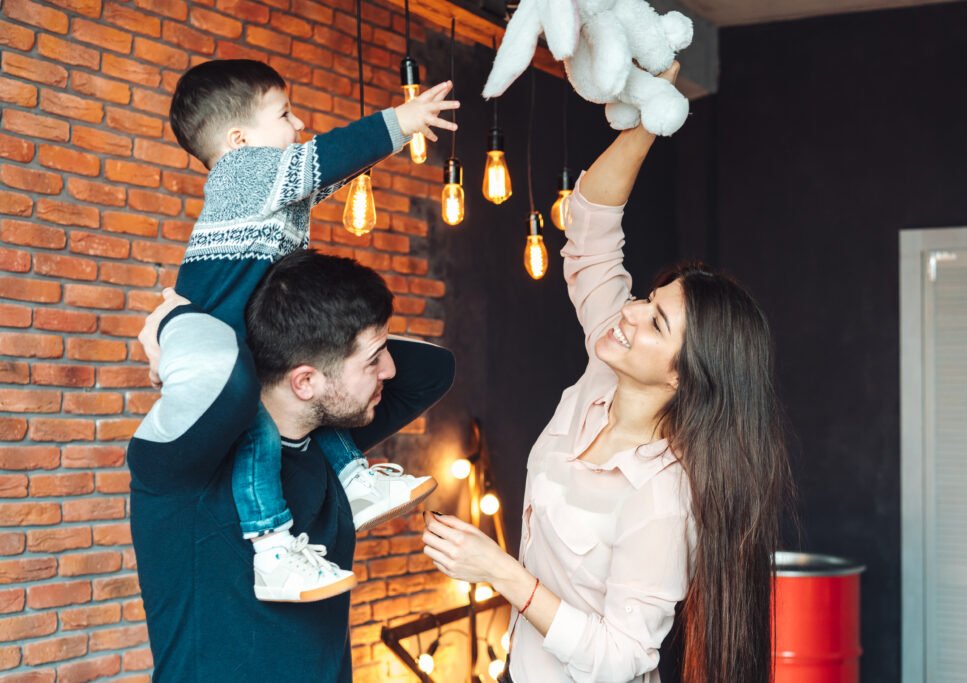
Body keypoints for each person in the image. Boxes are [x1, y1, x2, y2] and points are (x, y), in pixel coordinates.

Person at [421, 63, 792, 682]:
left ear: (685, 377)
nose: (631, 316)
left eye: (657, 324)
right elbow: (590, 225)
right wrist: (650, 116)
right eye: (649, 300)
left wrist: (503, 575)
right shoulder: (605, 369)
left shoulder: (664, 497)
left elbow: (623, 657)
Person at [166, 59, 459, 602]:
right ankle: (273, 548)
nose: (298, 124)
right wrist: (401, 121)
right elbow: (323, 160)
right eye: (284, 113)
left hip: (249, 337)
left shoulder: (266, 189)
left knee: (318, 388)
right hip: (224, 347)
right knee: (257, 434)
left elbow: (324, 177)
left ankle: (355, 482)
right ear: (238, 139)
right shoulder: (242, 174)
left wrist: (383, 149)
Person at [128, 250, 455, 680]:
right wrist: (171, 324)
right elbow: (219, 372)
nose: (390, 369)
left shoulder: (332, 447)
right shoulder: (187, 463)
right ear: (305, 381)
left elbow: (435, 371)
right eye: (374, 358)